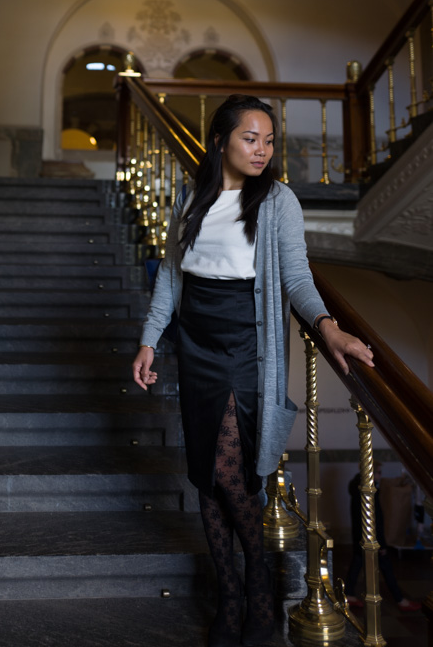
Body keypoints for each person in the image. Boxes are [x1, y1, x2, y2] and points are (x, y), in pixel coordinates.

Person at [131, 94, 374, 647]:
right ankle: (232, 593)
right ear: (220, 141)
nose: (262, 150)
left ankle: (258, 582)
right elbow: (171, 278)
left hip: (247, 345)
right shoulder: (191, 196)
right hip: (194, 343)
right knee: (207, 474)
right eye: (250, 138)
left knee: (233, 470)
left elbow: (295, 275)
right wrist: (150, 339)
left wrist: (328, 325)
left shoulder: (278, 201)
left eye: (268, 141)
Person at [345, 464, 421, 612]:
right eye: (378, 473)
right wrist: (382, 543)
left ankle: (348, 594)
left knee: (358, 562)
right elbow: (375, 520)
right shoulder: (367, 491)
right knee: (385, 566)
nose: (380, 476)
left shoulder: (357, 486)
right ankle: (400, 600)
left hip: (361, 535)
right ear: (370, 473)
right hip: (370, 537)